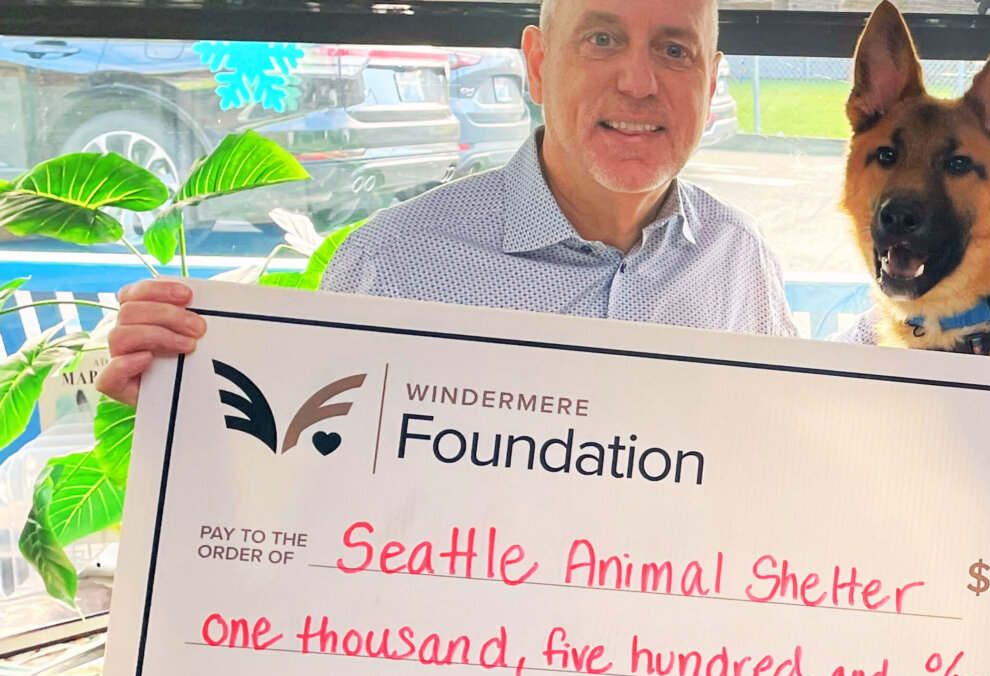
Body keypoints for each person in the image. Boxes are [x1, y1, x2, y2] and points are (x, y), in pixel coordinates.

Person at [96, 0, 795, 407]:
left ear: (711, 83)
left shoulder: (740, 266)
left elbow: (791, 465)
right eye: (602, 39)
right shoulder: (391, 268)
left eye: (675, 51)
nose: (639, 82)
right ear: (539, 64)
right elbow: (295, 483)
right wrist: (176, 415)